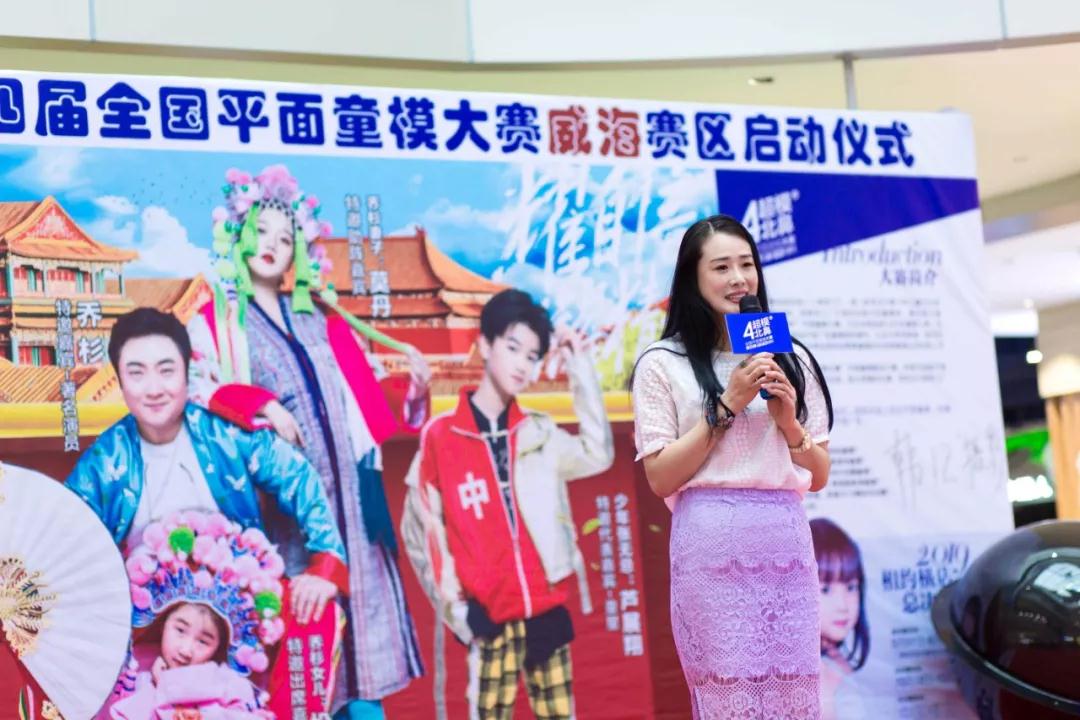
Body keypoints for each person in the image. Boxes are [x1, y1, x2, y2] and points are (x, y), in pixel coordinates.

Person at [187, 165, 427, 720]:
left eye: (285, 236)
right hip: (283, 522)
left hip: (353, 514)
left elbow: (363, 402)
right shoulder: (216, 322)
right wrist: (259, 404)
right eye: (260, 231)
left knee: (363, 668)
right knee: (300, 671)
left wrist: (413, 390)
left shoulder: (322, 318)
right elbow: (198, 391)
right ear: (237, 233)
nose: (271, 245)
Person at [630, 214, 834, 720]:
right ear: (693, 279)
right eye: (721, 267)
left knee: (793, 697)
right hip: (711, 551)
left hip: (785, 546)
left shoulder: (790, 356)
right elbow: (660, 476)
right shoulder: (663, 363)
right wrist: (727, 405)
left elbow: (819, 472)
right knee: (730, 697)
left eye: (747, 265)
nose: (739, 279)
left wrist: (788, 424)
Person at [401, 289, 614, 720]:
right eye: (512, 348)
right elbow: (423, 534)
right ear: (484, 345)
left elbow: (598, 453)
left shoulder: (538, 432)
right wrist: (459, 613)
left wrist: (578, 365)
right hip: (488, 619)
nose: (521, 365)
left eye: (532, 356)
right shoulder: (441, 438)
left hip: (545, 610)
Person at [66, 308, 347, 631]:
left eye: (166, 371)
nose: (154, 389)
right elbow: (66, 535)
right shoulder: (105, 460)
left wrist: (326, 563)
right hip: (145, 630)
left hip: (239, 623)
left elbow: (298, 476)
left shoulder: (225, 434)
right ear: (120, 381)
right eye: (136, 373)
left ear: (187, 373)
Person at [811, 518, 870, 720]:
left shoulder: (833, 656)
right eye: (826, 590)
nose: (843, 605)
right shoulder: (815, 674)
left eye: (851, 587)